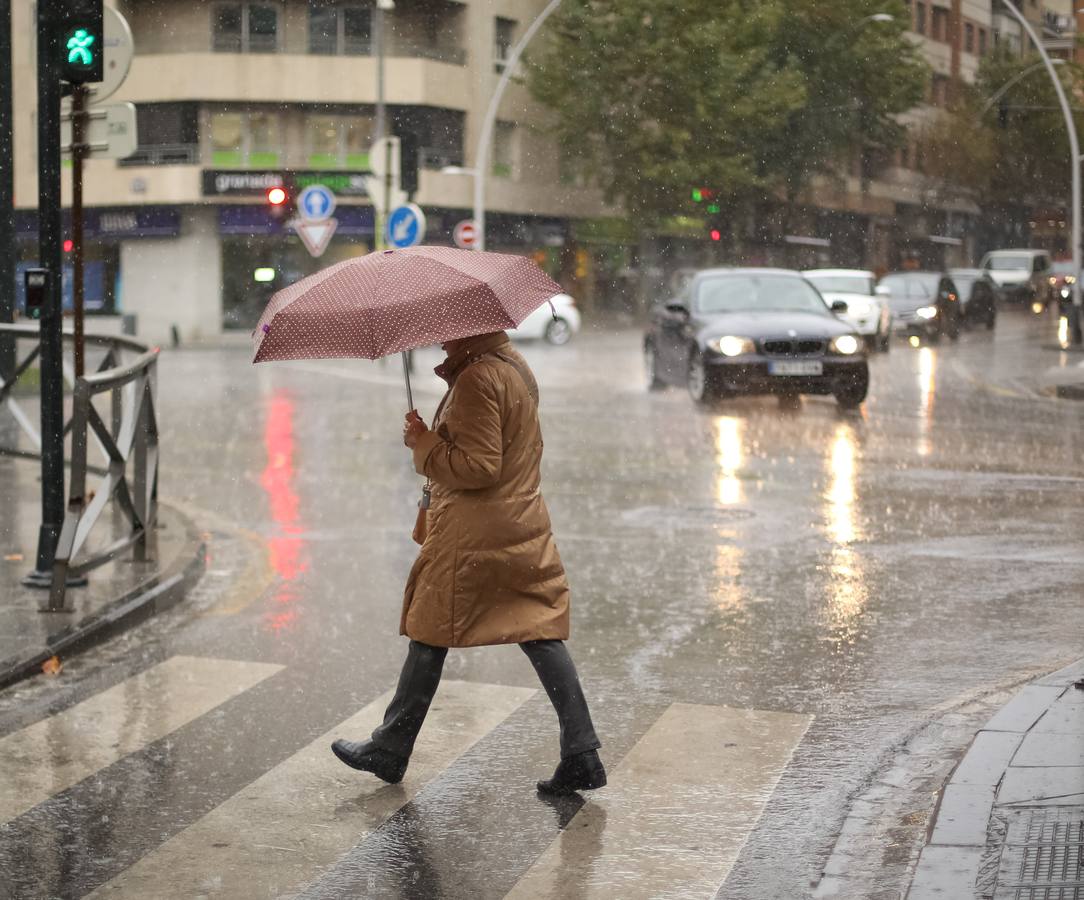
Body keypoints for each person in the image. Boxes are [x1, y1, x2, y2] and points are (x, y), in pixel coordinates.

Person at [332, 331, 606, 795]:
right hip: (519, 520)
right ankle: (581, 752)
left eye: (447, 333)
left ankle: (391, 748)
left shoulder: (478, 378)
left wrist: (424, 444)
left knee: (428, 628)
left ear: (468, 331)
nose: (440, 340)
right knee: (538, 628)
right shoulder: (512, 366)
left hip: (473, 531)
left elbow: (480, 466)